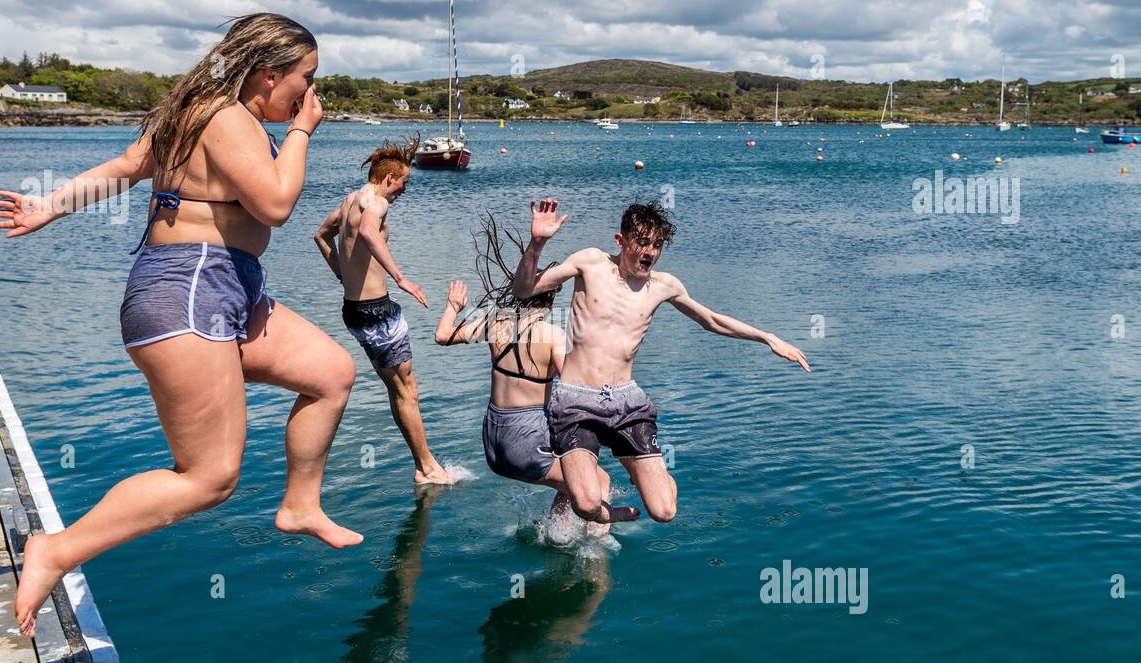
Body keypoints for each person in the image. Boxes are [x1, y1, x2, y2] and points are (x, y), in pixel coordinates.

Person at [0, 13, 362, 636]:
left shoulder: (196, 111)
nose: (310, 92)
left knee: (328, 373)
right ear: (269, 74)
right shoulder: (226, 118)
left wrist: (50, 204)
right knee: (210, 476)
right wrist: (301, 133)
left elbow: (127, 166)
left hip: (227, 285)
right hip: (190, 290)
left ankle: (299, 504)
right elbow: (275, 203)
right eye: (305, 78)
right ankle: (55, 550)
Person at [511, 198, 810, 525]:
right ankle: (609, 511)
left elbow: (710, 319)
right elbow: (524, 290)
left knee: (664, 512)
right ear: (620, 241)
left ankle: (646, 473)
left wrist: (768, 338)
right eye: (642, 242)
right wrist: (537, 243)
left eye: (657, 245)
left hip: (626, 400)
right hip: (576, 399)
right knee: (585, 503)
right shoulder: (590, 262)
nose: (650, 252)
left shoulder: (663, 286)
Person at [434, 213, 639, 531]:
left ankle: (558, 531)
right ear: (551, 294)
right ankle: (598, 548)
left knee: (573, 468)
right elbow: (579, 390)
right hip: (525, 442)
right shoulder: (553, 336)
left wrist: (452, 305)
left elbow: (442, 336)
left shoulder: (495, 323)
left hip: (493, 443)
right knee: (598, 479)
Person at [313, 136, 456, 485]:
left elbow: (321, 235)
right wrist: (402, 278)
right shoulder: (375, 202)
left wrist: (342, 274)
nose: (404, 190)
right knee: (407, 391)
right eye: (404, 182)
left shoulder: (349, 200)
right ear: (390, 178)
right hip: (377, 311)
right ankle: (426, 468)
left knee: (403, 389)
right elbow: (368, 232)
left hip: (355, 310)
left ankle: (425, 463)